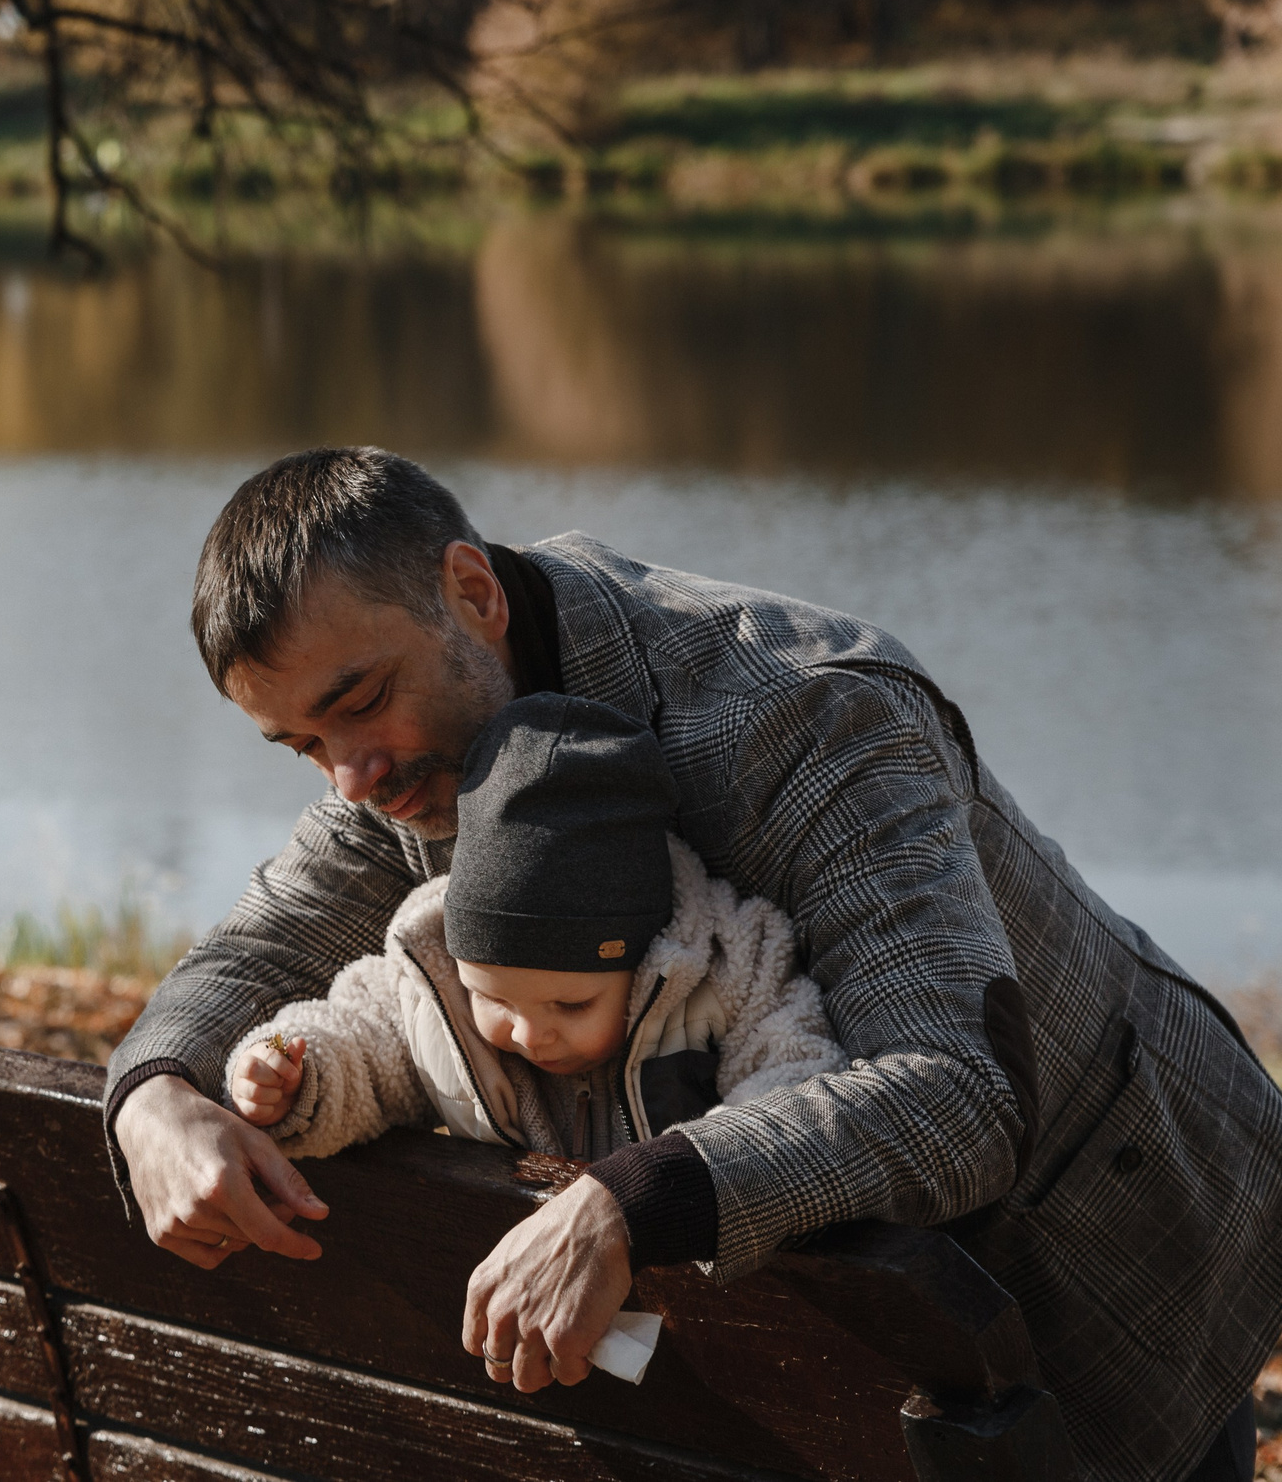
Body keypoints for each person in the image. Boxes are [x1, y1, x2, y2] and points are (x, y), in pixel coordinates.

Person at [107, 446, 1282, 1482]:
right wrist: (154, 1089)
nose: (348, 778)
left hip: (1122, 1234)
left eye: (359, 703)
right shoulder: (401, 755)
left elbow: (959, 1095)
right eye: (300, 745)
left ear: (471, 591)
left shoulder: (800, 712)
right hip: (865, 1342)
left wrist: (630, 1201)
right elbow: (264, 943)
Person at [227, 693, 844, 1196]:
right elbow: (365, 1041)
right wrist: (298, 1076)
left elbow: (796, 1076)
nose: (527, 1035)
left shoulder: (731, 976)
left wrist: (677, 1179)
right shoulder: (435, 984)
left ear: (646, 960)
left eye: (571, 1005)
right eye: (493, 999)